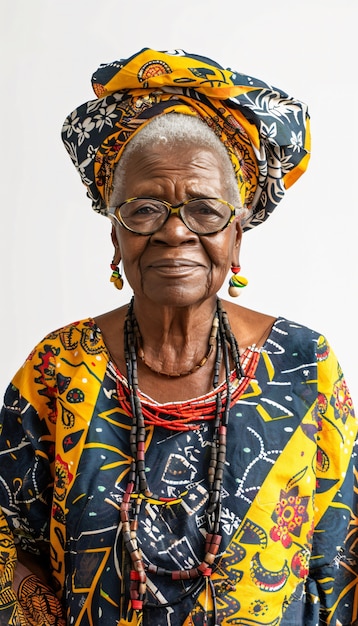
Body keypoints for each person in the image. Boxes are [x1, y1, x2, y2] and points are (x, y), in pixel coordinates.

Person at [0, 48, 356, 626]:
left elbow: (342, 562)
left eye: (204, 209)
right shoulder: (56, 369)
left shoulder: (304, 364)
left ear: (236, 236)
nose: (173, 230)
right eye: (143, 210)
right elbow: (10, 544)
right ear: (114, 237)